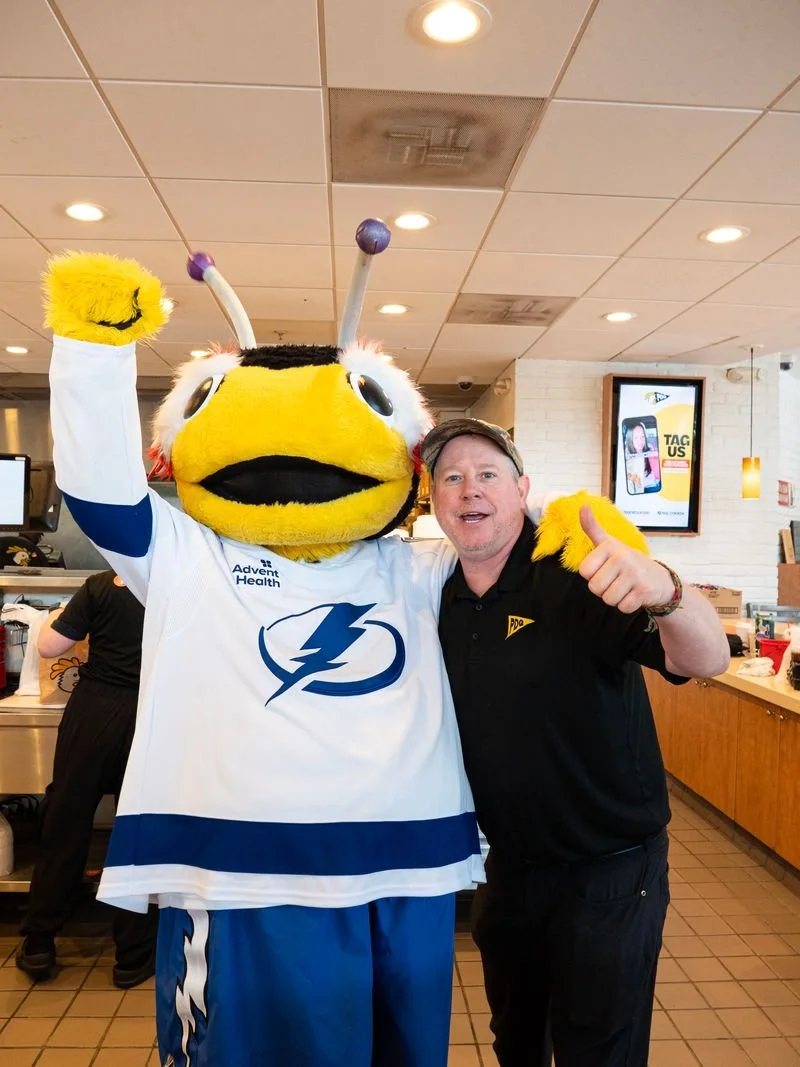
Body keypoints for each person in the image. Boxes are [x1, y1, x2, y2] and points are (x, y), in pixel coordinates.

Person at [422, 418, 730, 1067]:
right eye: (450, 476)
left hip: (610, 871)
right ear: (434, 501)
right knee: (516, 1042)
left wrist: (669, 592)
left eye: (487, 474)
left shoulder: (575, 575)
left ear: (521, 487)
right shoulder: (435, 594)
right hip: (507, 869)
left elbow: (708, 660)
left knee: (598, 1052)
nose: (469, 489)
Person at [16, 570, 158, 989]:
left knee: (66, 822)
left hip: (94, 710)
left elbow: (48, 647)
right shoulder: (180, 580)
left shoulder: (100, 584)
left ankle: (40, 940)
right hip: (152, 713)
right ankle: (132, 956)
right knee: (136, 830)